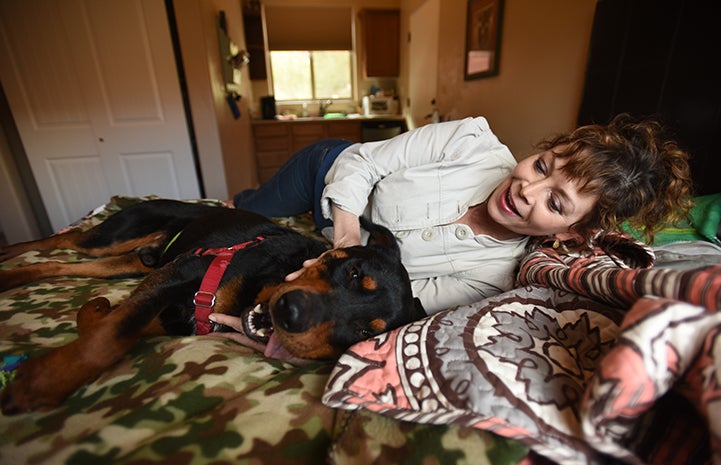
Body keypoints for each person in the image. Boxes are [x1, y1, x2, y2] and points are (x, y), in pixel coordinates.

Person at [225, 114, 693, 316]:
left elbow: (400, 300)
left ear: (573, 233)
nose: (525, 188)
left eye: (555, 202)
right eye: (542, 166)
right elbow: (362, 161)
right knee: (245, 209)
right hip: (324, 170)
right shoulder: (470, 140)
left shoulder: (494, 277)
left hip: (325, 243)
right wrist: (345, 236)